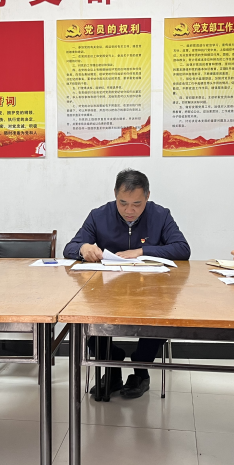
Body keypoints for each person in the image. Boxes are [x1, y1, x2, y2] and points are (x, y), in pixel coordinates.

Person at [63, 169, 190, 399]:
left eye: (137, 204)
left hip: (150, 291)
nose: (129, 210)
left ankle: (141, 371)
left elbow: (182, 249)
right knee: (84, 315)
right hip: (107, 291)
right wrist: (83, 248)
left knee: (162, 314)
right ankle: (111, 366)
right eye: (123, 203)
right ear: (115, 195)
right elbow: (70, 247)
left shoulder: (160, 215)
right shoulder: (98, 216)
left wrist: (142, 251)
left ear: (147, 197)